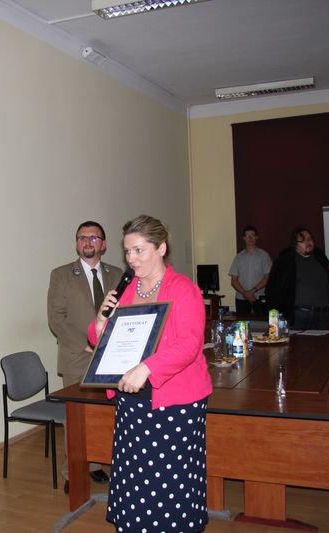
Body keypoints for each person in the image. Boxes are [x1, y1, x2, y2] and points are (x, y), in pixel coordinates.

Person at [89, 214, 212, 533]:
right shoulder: (126, 290)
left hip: (175, 403)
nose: (131, 259)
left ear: (161, 248)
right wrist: (101, 322)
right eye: (127, 251)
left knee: (170, 481)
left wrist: (148, 367)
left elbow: (190, 344)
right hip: (132, 401)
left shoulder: (183, 289)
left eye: (139, 250)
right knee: (134, 477)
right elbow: (104, 340)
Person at [47, 221, 123, 489]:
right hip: (78, 355)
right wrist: (86, 343)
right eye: (82, 238)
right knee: (76, 418)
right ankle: (74, 471)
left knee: (106, 414)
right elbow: (56, 319)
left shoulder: (117, 274)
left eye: (94, 237)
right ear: (76, 243)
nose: (87, 242)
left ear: (104, 244)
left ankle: (97, 463)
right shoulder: (61, 275)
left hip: (112, 357)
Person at [266, 226, 329, 330]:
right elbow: (274, 290)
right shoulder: (286, 262)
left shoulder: (320, 258)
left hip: (323, 315)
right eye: (303, 240)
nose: (308, 242)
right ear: (295, 244)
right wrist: (275, 318)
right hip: (299, 316)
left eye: (309, 239)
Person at [228, 225, 272, 316]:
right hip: (241, 298)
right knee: (241, 323)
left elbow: (267, 278)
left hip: (259, 298)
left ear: (256, 237)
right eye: (247, 236)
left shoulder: (264, 256)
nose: (250, 238)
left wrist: (252, 291)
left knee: (262, 323)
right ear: (244, 238)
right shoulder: (238, 257)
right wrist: (245, 293)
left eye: (252, 235)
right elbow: (233, 281)